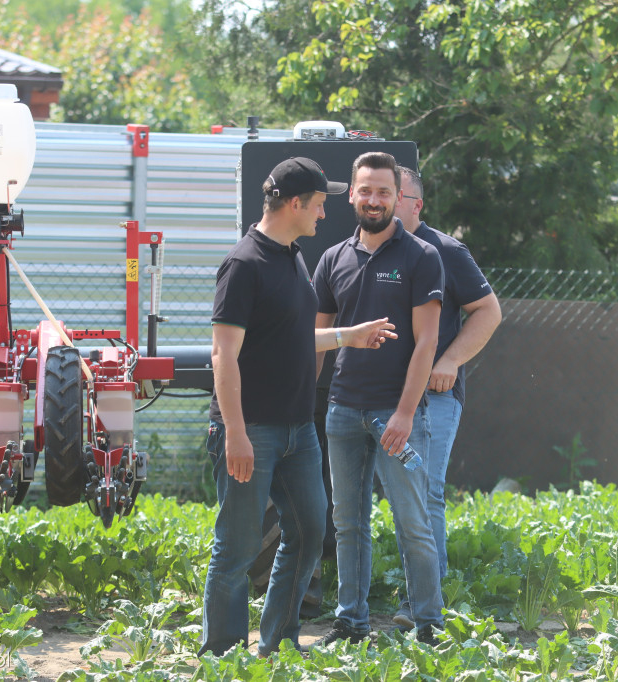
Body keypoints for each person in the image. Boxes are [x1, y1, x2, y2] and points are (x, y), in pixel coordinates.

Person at [200, 157, 399, 658]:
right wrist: (237, 433)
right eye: (317, 204)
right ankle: (221, 655)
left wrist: (349, 336)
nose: (323, 214)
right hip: (253, 431)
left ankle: (278, 644)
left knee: (311, 531)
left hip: (297, 431)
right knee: (237, 548)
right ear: (293, 205)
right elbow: (223, 354)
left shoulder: (292, 256)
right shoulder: (244, 264)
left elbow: (292, 337)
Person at [312, 151, 446, 646]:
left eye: (384, 192)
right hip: (343, 411)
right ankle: (352, 623)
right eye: (365, 190)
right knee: (348, 524)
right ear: (351, 194)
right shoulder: (333, 259)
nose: (374, 199)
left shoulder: (420, 257)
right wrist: (304, 402)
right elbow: (316, 339)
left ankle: (429, 624)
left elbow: (427, 343)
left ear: (399, 197)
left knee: (413, 522)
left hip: (397, 414)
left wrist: (406, 414)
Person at [390, 166, 502, 629]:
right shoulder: (371, 249)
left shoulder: (447, 251)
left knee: (426, 492)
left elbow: (489, 311)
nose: (383, 202)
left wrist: (450, 361)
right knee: (401, 497)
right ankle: (416, 596)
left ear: (416, 204)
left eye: (395, 195)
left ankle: (424, 608)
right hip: (385, 399)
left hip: (434, 399)